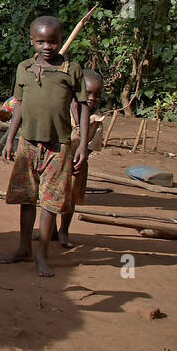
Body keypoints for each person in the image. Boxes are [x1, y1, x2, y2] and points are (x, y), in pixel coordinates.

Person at [1, 16, 89, 277]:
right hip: (28, 144)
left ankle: (42, 255)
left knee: (50, 202)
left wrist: (82, 144)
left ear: (61, 41)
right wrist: (10, 138)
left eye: (53, 41)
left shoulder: (71, 70)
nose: (47, 47)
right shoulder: (24, 68)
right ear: (32, 42)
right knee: (26, 198)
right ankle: (23, 248)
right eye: (41, 41)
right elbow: (19, 105)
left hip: (58, 146)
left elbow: (83, 107)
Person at [58, 69, 105, 248]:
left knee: (70, 199)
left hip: (78, 164)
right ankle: (52, 230)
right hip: (57, 160)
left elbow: (91, 147)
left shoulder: (97, 121)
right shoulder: (62, 109)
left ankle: (64, 230)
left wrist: (81, 159)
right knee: (52, 196)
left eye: (97, 95)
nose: (93, 98)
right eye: (89, 93)